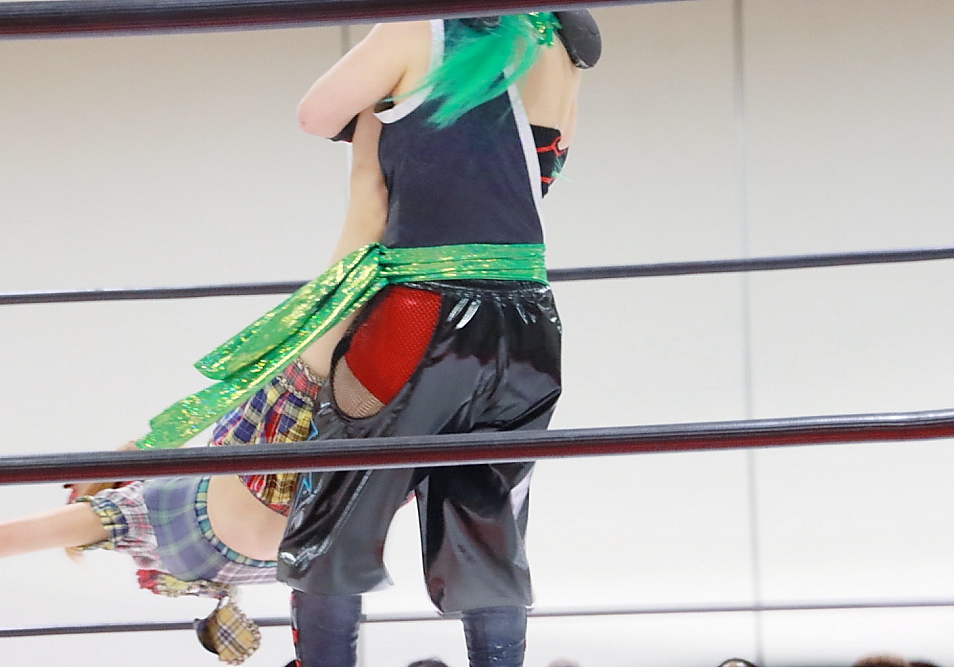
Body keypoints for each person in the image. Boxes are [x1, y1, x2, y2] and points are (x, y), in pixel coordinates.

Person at [0, 111, 390, 666]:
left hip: (316, 496)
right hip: (287, 478)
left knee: (356, 288)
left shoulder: (173, 542)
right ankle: (376, 113)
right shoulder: (128, 512)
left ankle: (383, 133)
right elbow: (11, 536)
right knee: (354, 253)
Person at [272, 12, 599, 667]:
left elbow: (314, 114)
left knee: (333, 515)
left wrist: (379, 116)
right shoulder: (563, 43)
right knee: (488, 523)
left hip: (421, 313)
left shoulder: (414, 32)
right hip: (530, 323)